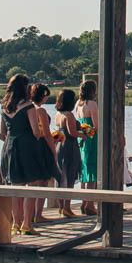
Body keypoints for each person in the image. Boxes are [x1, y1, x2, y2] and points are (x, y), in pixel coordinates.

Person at [1, 79, 59, 235]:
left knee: (16, 186)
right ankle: (27, 224)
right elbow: (35, 131)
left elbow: (2, 133)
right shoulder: (28, 106)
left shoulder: (4, 106)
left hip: (10, 147)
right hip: (28, 147)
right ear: (24, 88)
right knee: (32, 186)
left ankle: (15, 224)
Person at [51, 88, 82, 219]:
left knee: (60, 175)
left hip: (59, 144)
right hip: (69, 145)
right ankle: (67, 207)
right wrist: (84, 135)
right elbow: (72, 132)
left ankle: (61, 206)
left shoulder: (58, 115)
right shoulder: (69, 115)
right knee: (70, 174)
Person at [72, 80, 101, 216]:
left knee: (84, 168)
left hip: (81, 137)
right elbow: (96, 125)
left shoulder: (78, 104)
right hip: (91, 137)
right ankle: (90, 204)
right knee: (92, 169)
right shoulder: (92, 104)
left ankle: (84, 202)